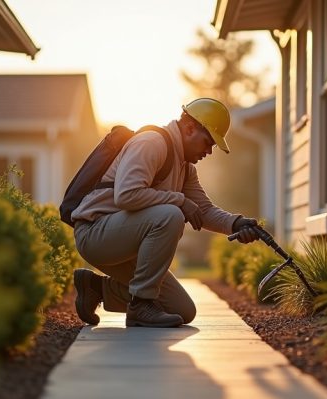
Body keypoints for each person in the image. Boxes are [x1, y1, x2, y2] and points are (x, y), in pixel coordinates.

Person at [70, 98, 260, 328]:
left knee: (182, 310)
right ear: (190, 128)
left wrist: (236, 223)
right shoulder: (152, 143)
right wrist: (179, 200)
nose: (209, 151)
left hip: (125, 241)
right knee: (171, 215)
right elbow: (127, 195)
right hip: (95, 233)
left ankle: (96, 288)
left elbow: (203, 210)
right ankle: (141, 305)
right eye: (208, 142)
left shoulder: (185, 167)